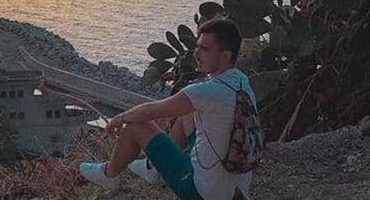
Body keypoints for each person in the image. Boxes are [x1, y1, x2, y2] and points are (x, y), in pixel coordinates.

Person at [79, 17, 257, 199]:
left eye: (204, 49)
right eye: (197, 47)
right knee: (188, 113)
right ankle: (152, 168)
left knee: (136, 126)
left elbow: (150, 111)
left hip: (201, 192)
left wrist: (120, 118)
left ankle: (108, 174)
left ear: (225, 55)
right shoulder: (242, 81)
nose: (196, 54)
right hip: (235, 190)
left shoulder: (207, 92)